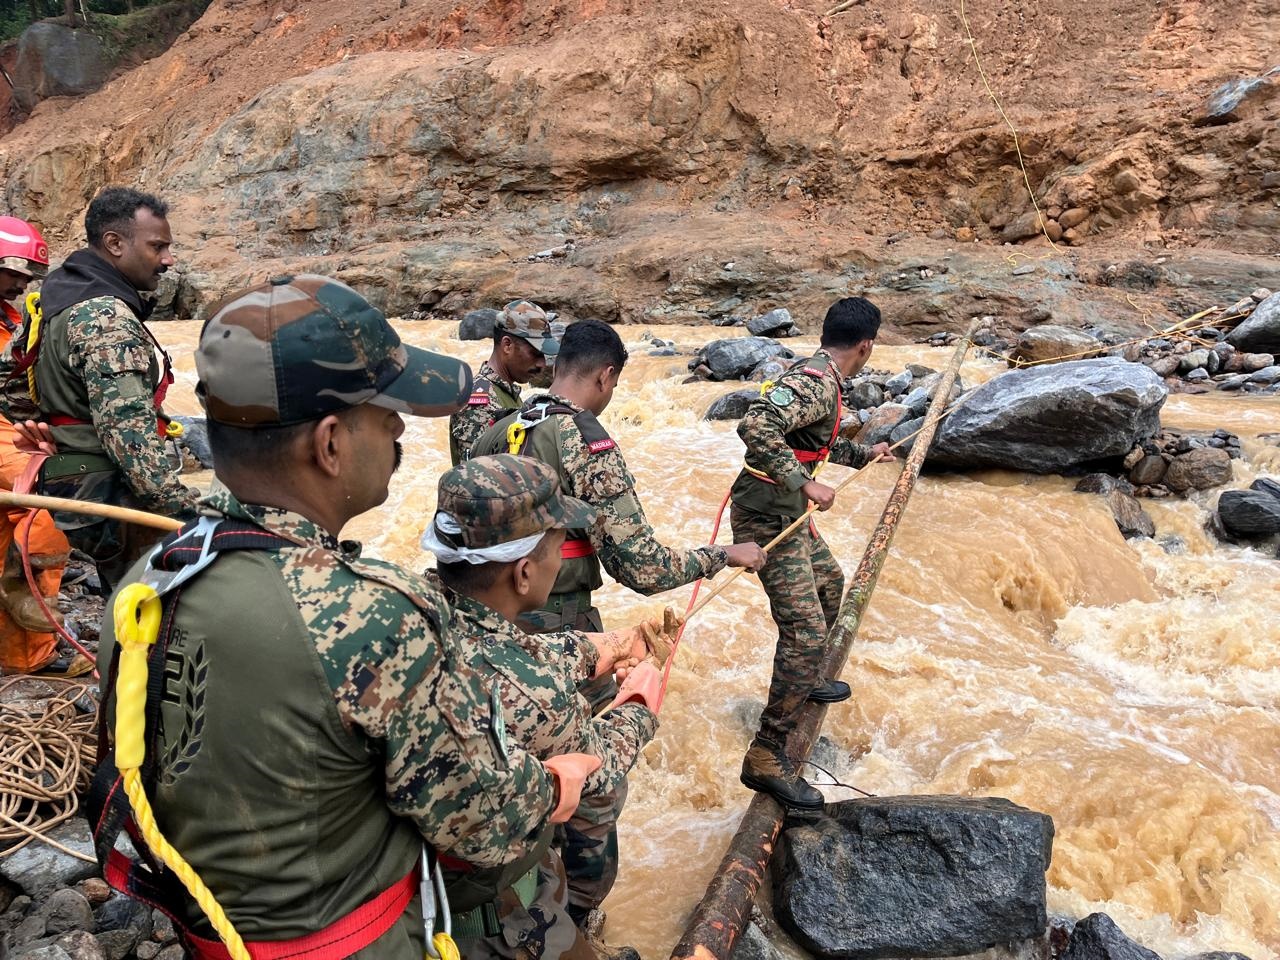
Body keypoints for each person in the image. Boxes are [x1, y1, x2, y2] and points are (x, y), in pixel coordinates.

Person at [91, 275, 600, 959]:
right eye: (385, 415)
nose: (398, 432)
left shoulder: (149, 581)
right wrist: (562, 779)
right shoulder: (368, 611)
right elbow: (484, 825)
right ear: (329, 445)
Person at [471, 318, 767, 930]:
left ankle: (521, 894)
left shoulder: (499, 427)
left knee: (511, 763)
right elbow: (640, 563)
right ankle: (576, 916)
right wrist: (721, 557)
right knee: (595, 774)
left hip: (486, 627)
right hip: (561, 633)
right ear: (606, 376)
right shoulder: (586, 438)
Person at [421, 453, 676, 959]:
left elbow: (522, 652)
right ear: (522, 573)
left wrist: (623, 643)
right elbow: (597, 768)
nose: (562, 562)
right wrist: (644, 696)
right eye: (560, 549)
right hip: (476, 911)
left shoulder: (419, 607)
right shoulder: (535, 694)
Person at [731, 296, 893, 809]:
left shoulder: (824, 378)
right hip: (765, 517)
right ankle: (767, 751)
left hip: (786, 513)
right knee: (804, 632)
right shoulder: (816, 381)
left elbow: (812, 444)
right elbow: (755, 426)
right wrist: (804, 483)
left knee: (829, 583)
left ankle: (810, 678)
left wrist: (863, 453)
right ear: (866, 346)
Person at [0, 187, 199, 589]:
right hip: (107, 489)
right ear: (115, 243)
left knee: (123, 605)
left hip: (69, 484)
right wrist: (190, 512)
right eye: (157, 246)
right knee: (158, 607)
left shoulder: (56, 298)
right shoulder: (106, 316)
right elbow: (129, 438)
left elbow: (9, 384)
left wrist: (53, 432)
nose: (167, 259)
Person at [0, 216, 75, 675]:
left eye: (28, 275)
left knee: (11, 531)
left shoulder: (15, 318)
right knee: (48, 506)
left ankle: (22, 660)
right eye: (15, 272)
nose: (22, 282)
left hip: (10, 429)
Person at [448, 299, 563, 465]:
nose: (542, 364)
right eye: (535, 353)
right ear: (507, 345)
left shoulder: (505, 393)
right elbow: (477, 475)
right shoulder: (480, 403)